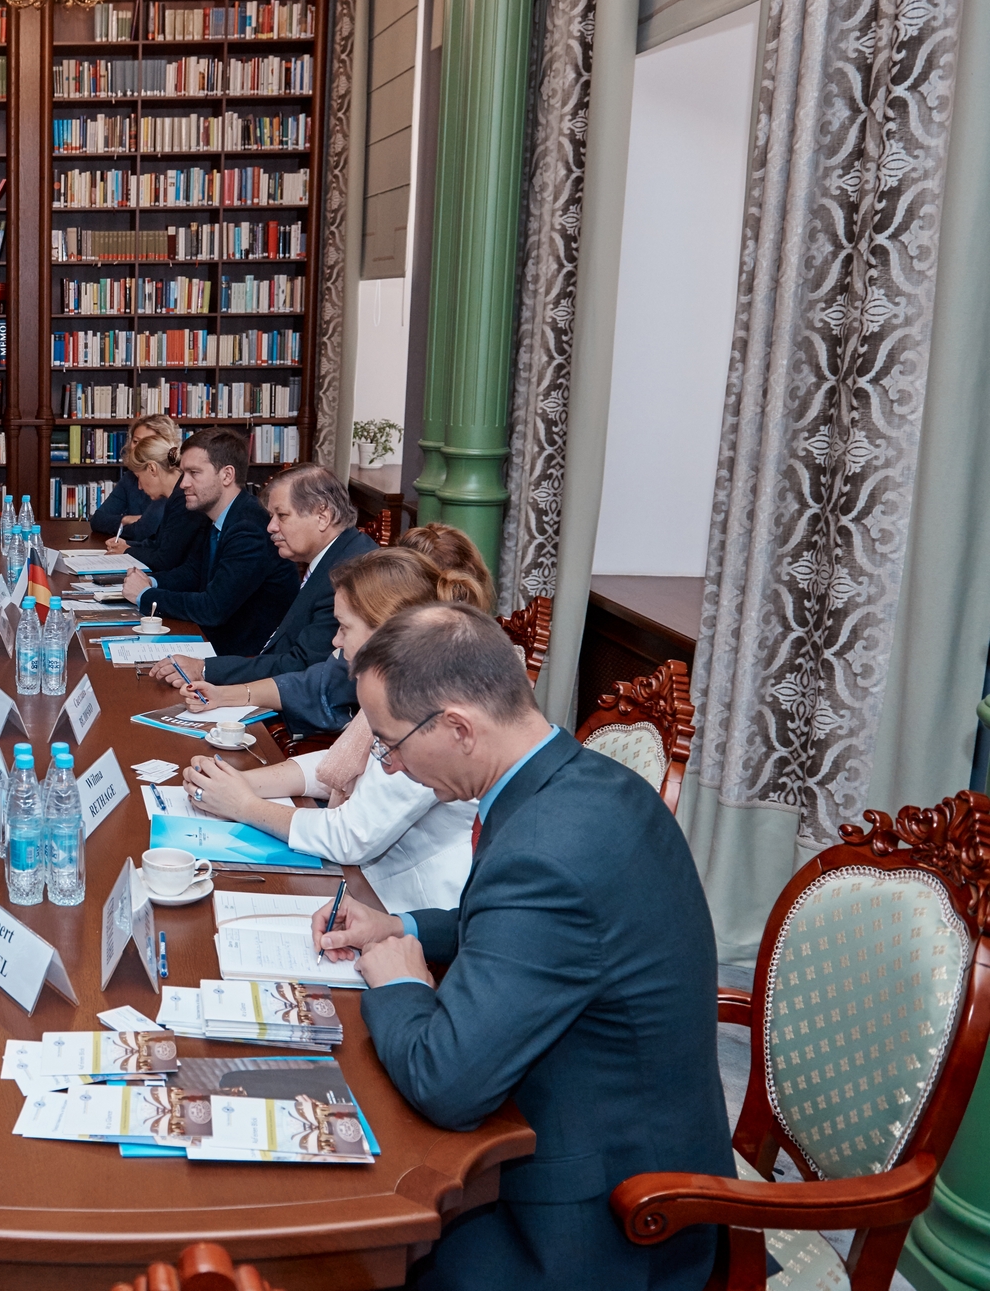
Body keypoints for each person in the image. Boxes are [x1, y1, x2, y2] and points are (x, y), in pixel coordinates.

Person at [314, 603, 730, 1289]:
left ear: (457, 727)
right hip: (591, 1133)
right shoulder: (579, 781)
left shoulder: (548, 852)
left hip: (606, 1223)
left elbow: (445, 1082)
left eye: (391, 742)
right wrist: (402, 928)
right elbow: (524, 925)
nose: (389, 765)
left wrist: (401, 985)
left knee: (352, 1252)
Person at [179, 548, 486, 911]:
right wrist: (242, 784)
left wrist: (244, 806)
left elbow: (350, 835)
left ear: (386, 631)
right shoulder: (403, 681)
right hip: (364, 880)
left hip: (403, 906)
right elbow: (341, 764)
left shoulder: (425, 712)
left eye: (344, 628)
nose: (335, 642)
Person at [161, 462, 373, 690]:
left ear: (322, 516)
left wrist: (204, 669)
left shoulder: (349, 573)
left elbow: (302, 665)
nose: (271, 527)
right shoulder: (338, 552)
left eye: (281, 515)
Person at [119, 428, 298, 654]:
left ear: (226, 475)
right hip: (213, 640)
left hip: (244, 657)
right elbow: (193, 574)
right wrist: (150, 582)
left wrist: (145, 595)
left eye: (194, 473)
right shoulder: (213, 515)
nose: (183, 483)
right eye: (183, 473)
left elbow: (213, 608)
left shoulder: (249, 528)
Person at [102, 431, 201, 570]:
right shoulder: (174, 497)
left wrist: (127, 551)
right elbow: (159, 544)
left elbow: (165, 559)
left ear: (152, 468)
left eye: (139, 477)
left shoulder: (184, 500)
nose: (140, 487)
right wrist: (129, 546)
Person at [89, 413, 181, 541]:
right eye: (136, 441)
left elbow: (146, 532)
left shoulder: (175, 483)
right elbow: (98, 520)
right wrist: (127, 520)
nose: (139, 448)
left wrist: (140, 526)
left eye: (147, 443)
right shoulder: (130, 478)